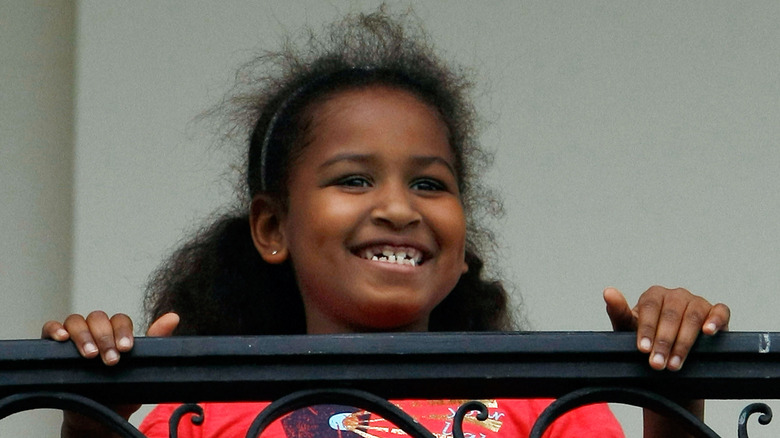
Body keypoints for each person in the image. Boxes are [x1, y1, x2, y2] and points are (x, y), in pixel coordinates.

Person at [42, 8, 729, 438]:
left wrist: (673, 393)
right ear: (271, 229)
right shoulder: (194, 415)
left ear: (463, 244)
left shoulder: (542, 407)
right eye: (354, 179)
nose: (400, 208)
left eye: (430, 184)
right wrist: (92, 416)